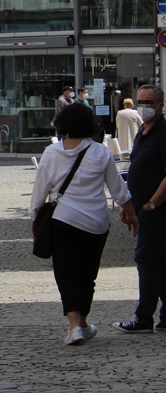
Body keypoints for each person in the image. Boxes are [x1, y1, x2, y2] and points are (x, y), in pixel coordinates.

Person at [30, 103, 137, 344]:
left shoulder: (52, 153)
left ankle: (75, 326)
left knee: (66, 273)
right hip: (95, 222)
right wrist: (131, 213)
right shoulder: (100, 152)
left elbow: (40, 190)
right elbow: (118, 190)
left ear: (62, 125)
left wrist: (34, 215)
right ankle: (83, 322)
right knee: (88, 274)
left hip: (63, 219)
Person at [117, 85, 166, 333]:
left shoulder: (163, 132)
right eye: (141, 101)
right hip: (140, 205)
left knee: (145, 258)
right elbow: (137, 168)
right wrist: (129, 204)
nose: (145, 106)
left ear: (160, 104)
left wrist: (151, 204)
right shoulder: (142, 131)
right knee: (160, 261)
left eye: (150, 101)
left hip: (157, 209)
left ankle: (143, 317)